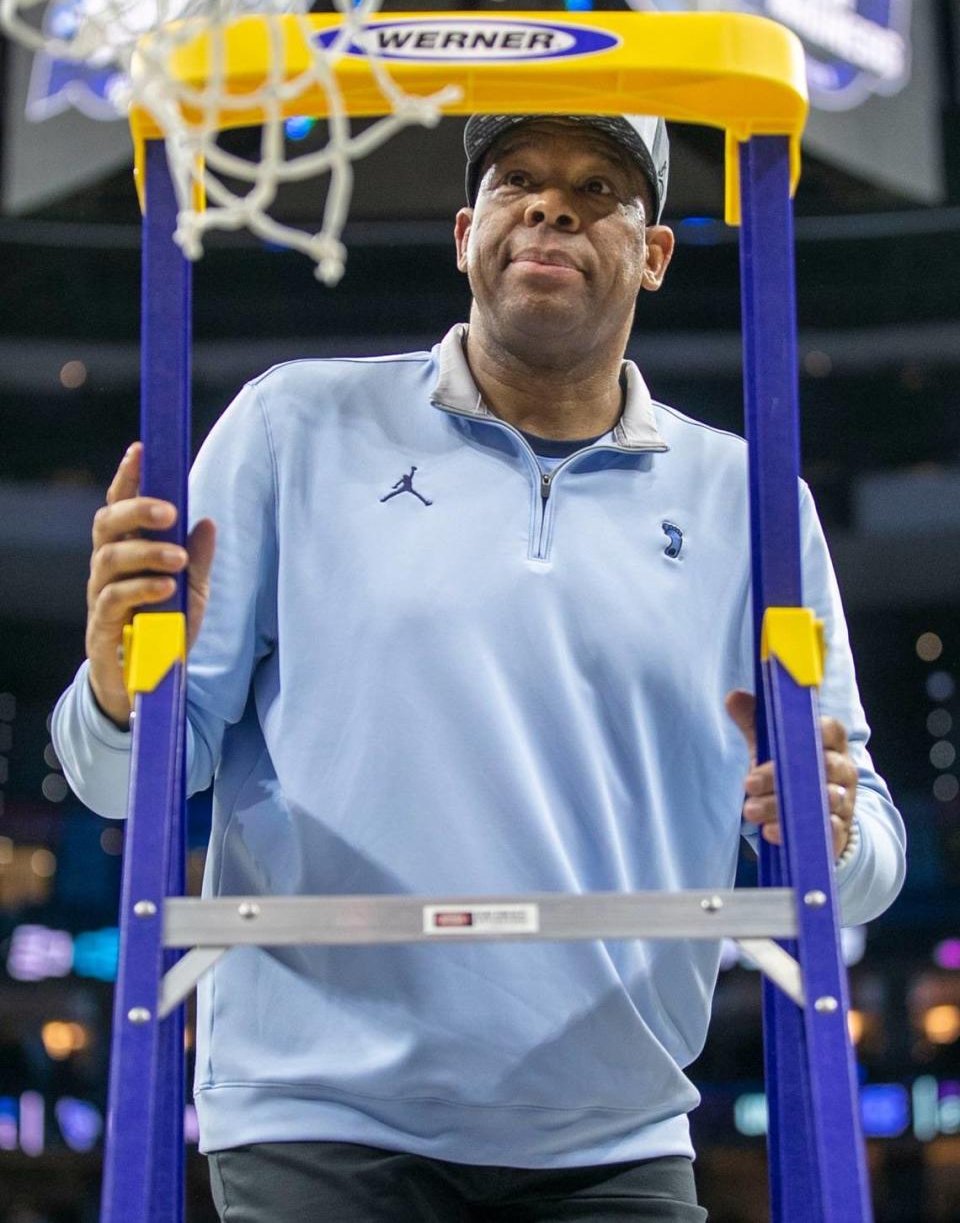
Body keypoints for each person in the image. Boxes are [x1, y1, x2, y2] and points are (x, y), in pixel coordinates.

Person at [53, 112, 907, 1222]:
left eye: (600, 187)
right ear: (465, 235)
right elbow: (124, 787)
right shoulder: (291, 426)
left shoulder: (750, 505)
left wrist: (827, 831)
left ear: (653, 255)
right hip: (318, 1122)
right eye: (517, 180)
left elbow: (864, 867)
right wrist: (123, 699)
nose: (551, 206)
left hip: (616, 1135)